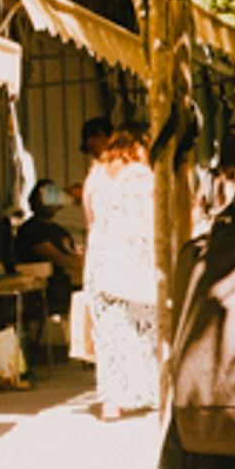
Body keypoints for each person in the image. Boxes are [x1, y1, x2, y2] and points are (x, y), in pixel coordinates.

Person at [82, 130, 159, 419]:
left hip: (101, 260)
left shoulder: (94, 178)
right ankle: (147, 391)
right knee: (143, 328)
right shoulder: (142, 176)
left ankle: (111, 401)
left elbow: (90, 222)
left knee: (109, 333)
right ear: (137, 148)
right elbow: (150, 220)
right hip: (134, 259)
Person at [9, 179, 83, 317]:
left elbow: (73, 253)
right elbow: (59, 258)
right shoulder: (31, 230)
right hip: (47, 298)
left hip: (70, 292)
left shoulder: (59, 231)